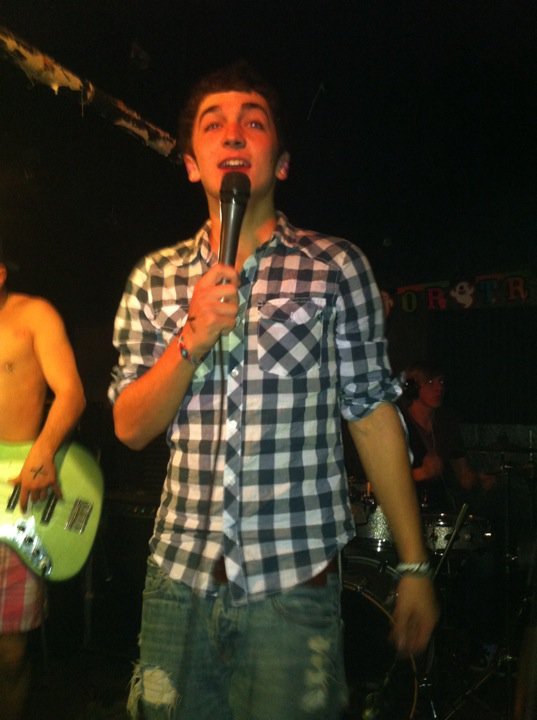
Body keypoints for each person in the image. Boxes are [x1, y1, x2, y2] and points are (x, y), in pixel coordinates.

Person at [109, 61, 438, 720]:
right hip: (178, 583)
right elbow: (131, 427)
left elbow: (371, 415)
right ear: (191, 164)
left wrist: (413, 565)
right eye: (213, 124)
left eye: (253, 123)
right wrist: (192, 336)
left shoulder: (334, 267)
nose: (233, 133)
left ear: (280, 164)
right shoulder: (155, 277)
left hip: (294, 587)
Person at [0, 241, 86, 720]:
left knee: (10, 655)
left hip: (16, 497)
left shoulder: (34, 315)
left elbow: (71, 393)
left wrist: (43, 450)